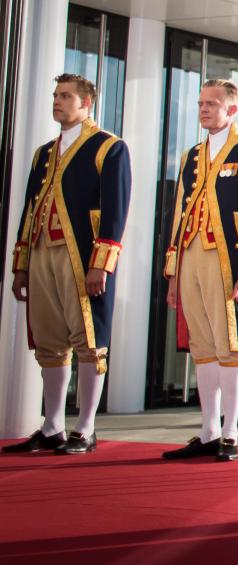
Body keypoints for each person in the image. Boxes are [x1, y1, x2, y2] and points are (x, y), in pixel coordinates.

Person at [4, 75, 131, 456]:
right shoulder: (44, 152)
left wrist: (101, 265)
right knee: (49, 341)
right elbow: (30, 209)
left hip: (82, 255)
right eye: (56, 95)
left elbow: (115, 211)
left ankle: (86, 427)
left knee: (89, 341)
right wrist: (21, 263)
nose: (57, 102)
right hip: (43, 251)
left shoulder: (108, 147)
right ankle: (53, 425)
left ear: (86, 103)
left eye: (66, 96)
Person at [162, 79, 238, 462]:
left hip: (228, 260)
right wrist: (173, 271)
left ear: (232, 109)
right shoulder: (191, 156)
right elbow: (178, 215)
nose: (204, 109)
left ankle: (230, 433)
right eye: (200, 103)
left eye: (212, 103)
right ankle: (208, 429)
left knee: (231, 345)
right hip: (191, 255)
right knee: (203, 347)